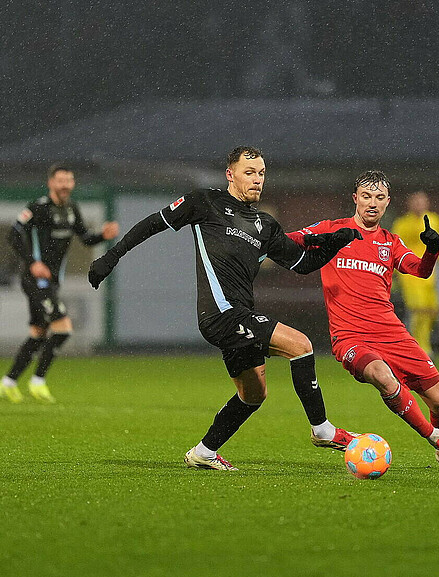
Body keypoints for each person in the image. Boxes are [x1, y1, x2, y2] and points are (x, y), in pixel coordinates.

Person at [88, 146, 361, 471]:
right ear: (230, 174)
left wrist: (336, 241)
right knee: (301, 346)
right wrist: (112, 256)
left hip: (239, 316)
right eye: (249, 172)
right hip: (220, 313)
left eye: (261, 173)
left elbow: (303, 264)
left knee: (254, 395)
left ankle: (204, 452)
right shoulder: (206, 202)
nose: (257, 179)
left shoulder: (265, 225)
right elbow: (152, 224)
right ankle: (322, 430)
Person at [288, 171, 439, 470]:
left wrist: (432, 249)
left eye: (379, 198)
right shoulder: (332, 230)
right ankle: (438, 440)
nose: (372, 203)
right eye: (366, 196)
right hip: (350, 336)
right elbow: (288, 241)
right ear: (355, 199)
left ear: (388, 203)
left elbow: (420, 270)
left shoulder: (390, 242)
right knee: (381, 375)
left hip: (391, 333)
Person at [0, 164, 119, 403]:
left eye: (69, 180)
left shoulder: (72, 209)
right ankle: (38, 381)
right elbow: (14, 234)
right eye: (60, 180)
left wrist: (103, 235)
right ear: (50, 183)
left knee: (38, 334)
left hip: (52, 281)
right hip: (35, 279)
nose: (65, 185)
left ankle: (7, 382)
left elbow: (85, 238)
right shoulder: (38, 207)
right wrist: (32, 262)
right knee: (63, 329)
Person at [391, 190, 439, 355]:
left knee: (432, 310)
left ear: (427, 203)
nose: (419, 205)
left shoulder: (434, 219)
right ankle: (421, 347)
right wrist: (392, 274)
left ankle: (420, 342)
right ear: (409, 204)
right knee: (419, 310)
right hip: (410, 274)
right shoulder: (402, 224)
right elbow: (394, 249)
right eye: (415, 202)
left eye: (422, 201)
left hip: (428, 273)